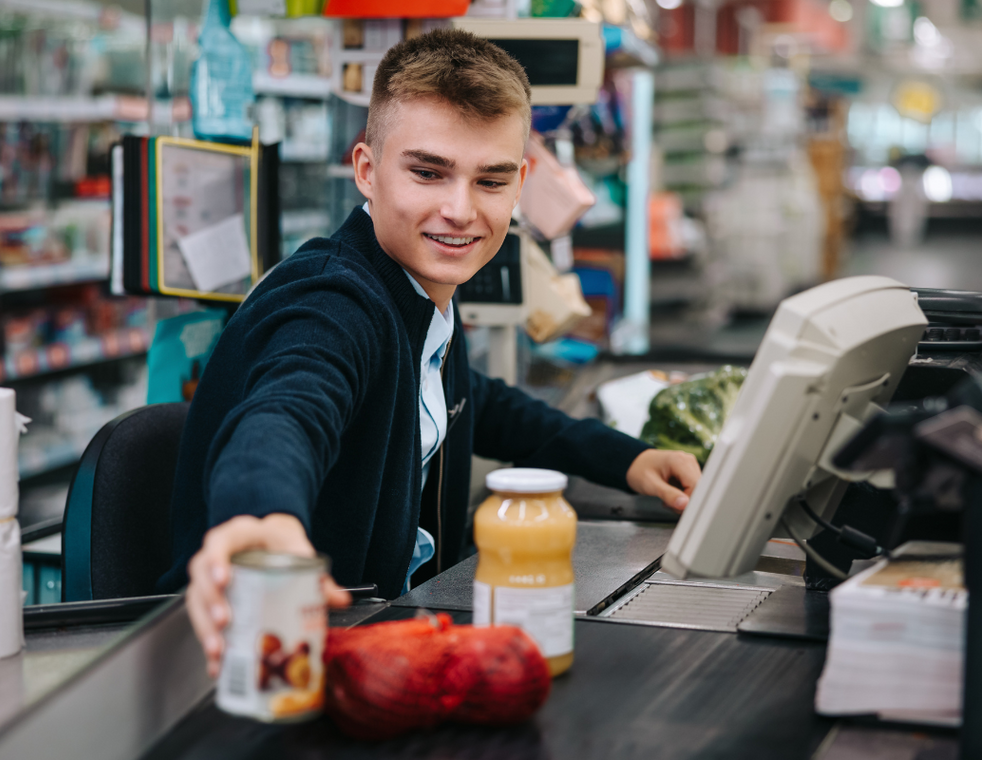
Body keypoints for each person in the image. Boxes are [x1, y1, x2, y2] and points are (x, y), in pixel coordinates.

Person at [159, 28, 702, 677]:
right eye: (428, 171)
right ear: (366, 168)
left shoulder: (422, 289)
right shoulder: (336, 301)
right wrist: (261, 518)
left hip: (363, 647)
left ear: (521, 182)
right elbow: (288, 409)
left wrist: (629, 459)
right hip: (249, 658)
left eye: (491, 181)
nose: (460, 210)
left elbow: (478, 398)